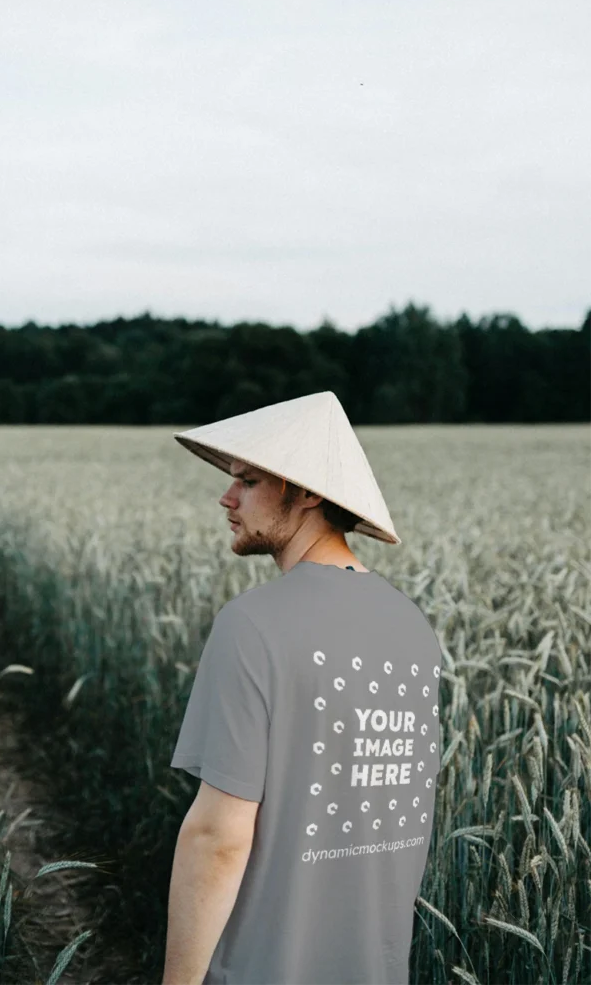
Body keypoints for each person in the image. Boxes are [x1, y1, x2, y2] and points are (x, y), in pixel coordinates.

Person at [163, 390, 442, 985]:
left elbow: (218, 838)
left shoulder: (253, 623)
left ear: (309, 491)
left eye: (248, 481)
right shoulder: (413, 628)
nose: (226, 496)